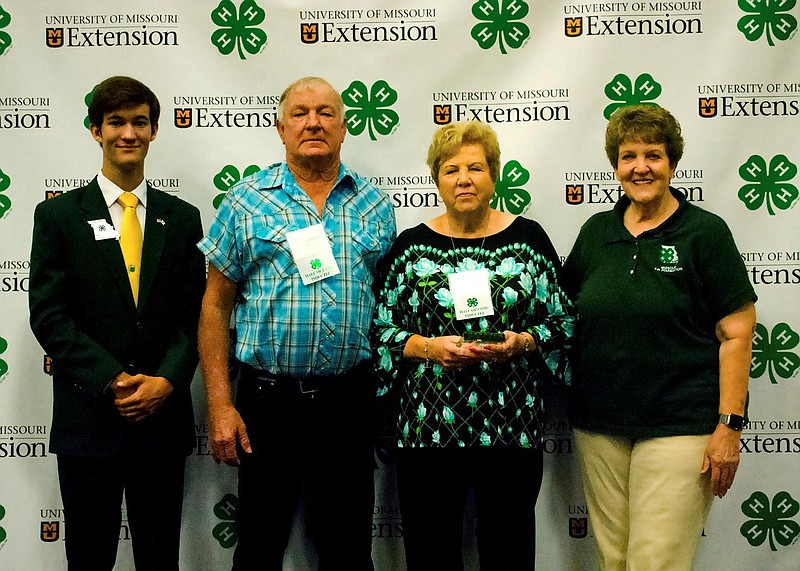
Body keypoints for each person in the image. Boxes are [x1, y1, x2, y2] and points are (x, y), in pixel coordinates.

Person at [197, 76, 396, 571]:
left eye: (327, 112)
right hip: (268, 403)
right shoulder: (245, 201)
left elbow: (388, 308)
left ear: (345, 128)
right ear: (280, 128)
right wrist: (220, 404)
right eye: (301, 113)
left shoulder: (374, 204)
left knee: (349, 549)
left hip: (349, 401)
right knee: (260, 546)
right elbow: (215, 307)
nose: (314, 122)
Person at [371, 121, 574, 570]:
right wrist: (428, 347)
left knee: (509, 548)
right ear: (437, 180)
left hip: (511, 426)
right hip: (427, 429)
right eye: (451, 169)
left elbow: (563, 322)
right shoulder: (410, 247)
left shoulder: (529, 240)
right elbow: (379, 331)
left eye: (476, 168)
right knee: (430, 549)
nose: (464, 178)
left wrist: (522, 342)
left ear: (494, 176)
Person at [563, 105, 757, 571]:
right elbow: (563, 315)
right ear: (615, 166)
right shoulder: (597, 232)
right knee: (614, 559)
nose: (641, 167)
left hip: (680, 425)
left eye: (653, 154)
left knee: (656, 562)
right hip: (600, 426)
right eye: (628, 156)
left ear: (672, 162)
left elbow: (737, 330)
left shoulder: (704, 233)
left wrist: (729, 425)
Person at [28, 76, 205, 571]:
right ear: (95, 131)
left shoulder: (183, 218)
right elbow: (48, 313)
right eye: (116, 122)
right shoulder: (57, 215)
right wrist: (113, 378)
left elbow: (196, 314)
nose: (128, 133)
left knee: (159, 556)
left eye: (139, 122)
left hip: (161, 419)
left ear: (153, 131)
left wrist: (167, 380)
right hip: (89, 418)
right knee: (88, 557)